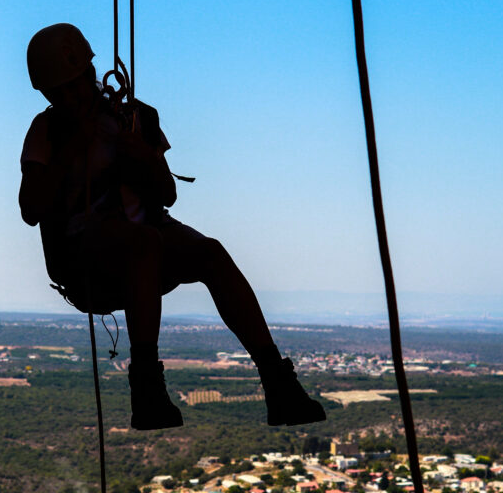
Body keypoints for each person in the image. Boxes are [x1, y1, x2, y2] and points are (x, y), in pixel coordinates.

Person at [19, 23, 325, 430]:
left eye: (78, 84)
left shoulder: (134, 118)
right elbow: (31, 208)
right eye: (63, 92)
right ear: (47, 95)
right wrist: (71, 151)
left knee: (210, 253)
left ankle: (278, 382)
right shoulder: (48, 131)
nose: (74, 97)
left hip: (145, 238)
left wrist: (143, 156)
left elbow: (166, 193)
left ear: (90, 74)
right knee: (144, 244)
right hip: (87, 255)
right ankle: (146, 389)